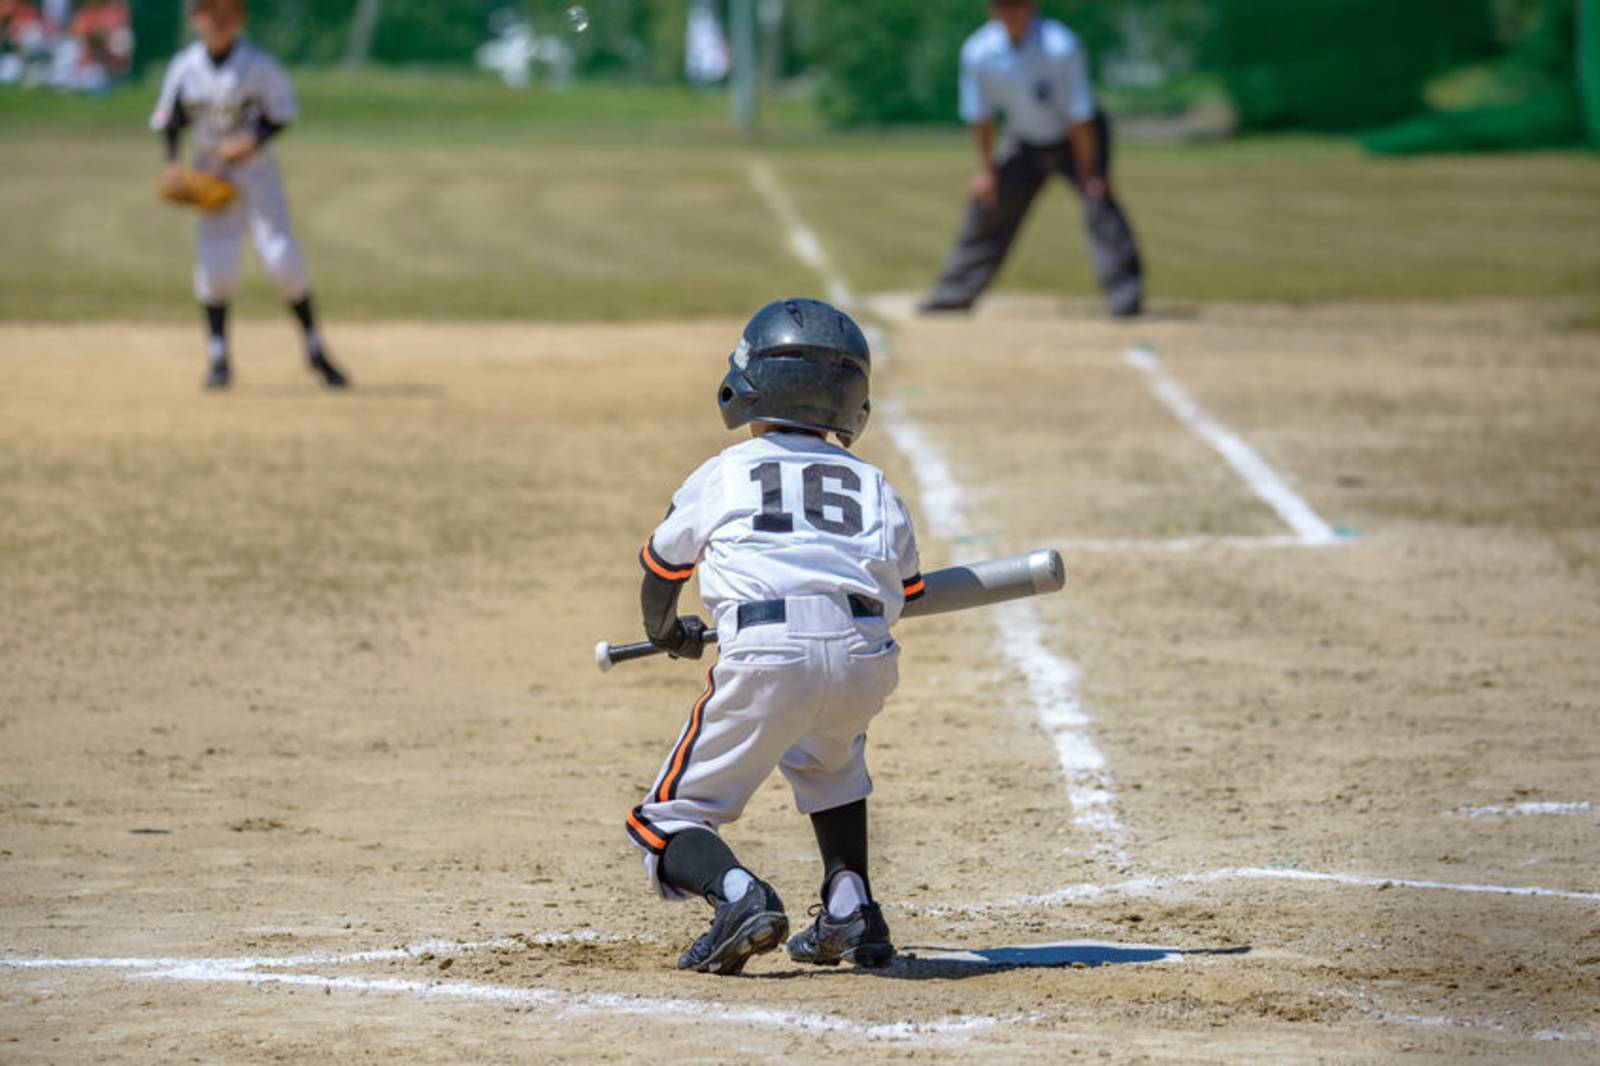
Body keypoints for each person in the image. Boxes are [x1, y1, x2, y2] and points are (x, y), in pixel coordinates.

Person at [626, 298, 925, 975]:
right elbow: (904, 594)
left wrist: (666, 631)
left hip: (766, 654)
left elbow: (660, 568)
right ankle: (852, 908)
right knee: (831, 765)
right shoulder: (875, 484)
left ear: (751, 384)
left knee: (666, 817)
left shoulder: (725, 471)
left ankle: (738, 896)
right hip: (861, 658)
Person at [150, 0, 347, 391]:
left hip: (257, 173)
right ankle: (219, 358)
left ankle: (313, 347)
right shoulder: (185, 67)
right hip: (211, 171)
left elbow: (283, 111)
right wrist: (172, 163)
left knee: (282, 259)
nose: (218, 20)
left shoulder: (258, 63)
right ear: (195, 19)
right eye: (209, 12)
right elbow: (170, 118)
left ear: (240, 17)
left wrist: (252, 140)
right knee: (216, 265)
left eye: (227, 12)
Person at [921, 0, 1144, 318]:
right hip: (1024, 138)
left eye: (1016, 4)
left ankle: (1125, 297)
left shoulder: (1060, 46)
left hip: (1077, 138)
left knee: (1099, 206)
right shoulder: (978, 51)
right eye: (1001, 5)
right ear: (991, 10)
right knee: (990, 205)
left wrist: (1090, 171)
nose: (1009, 12)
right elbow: (980, 118)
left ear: (1032, 6)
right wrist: (987, 171)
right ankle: (954, 293)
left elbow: (1079, 116)